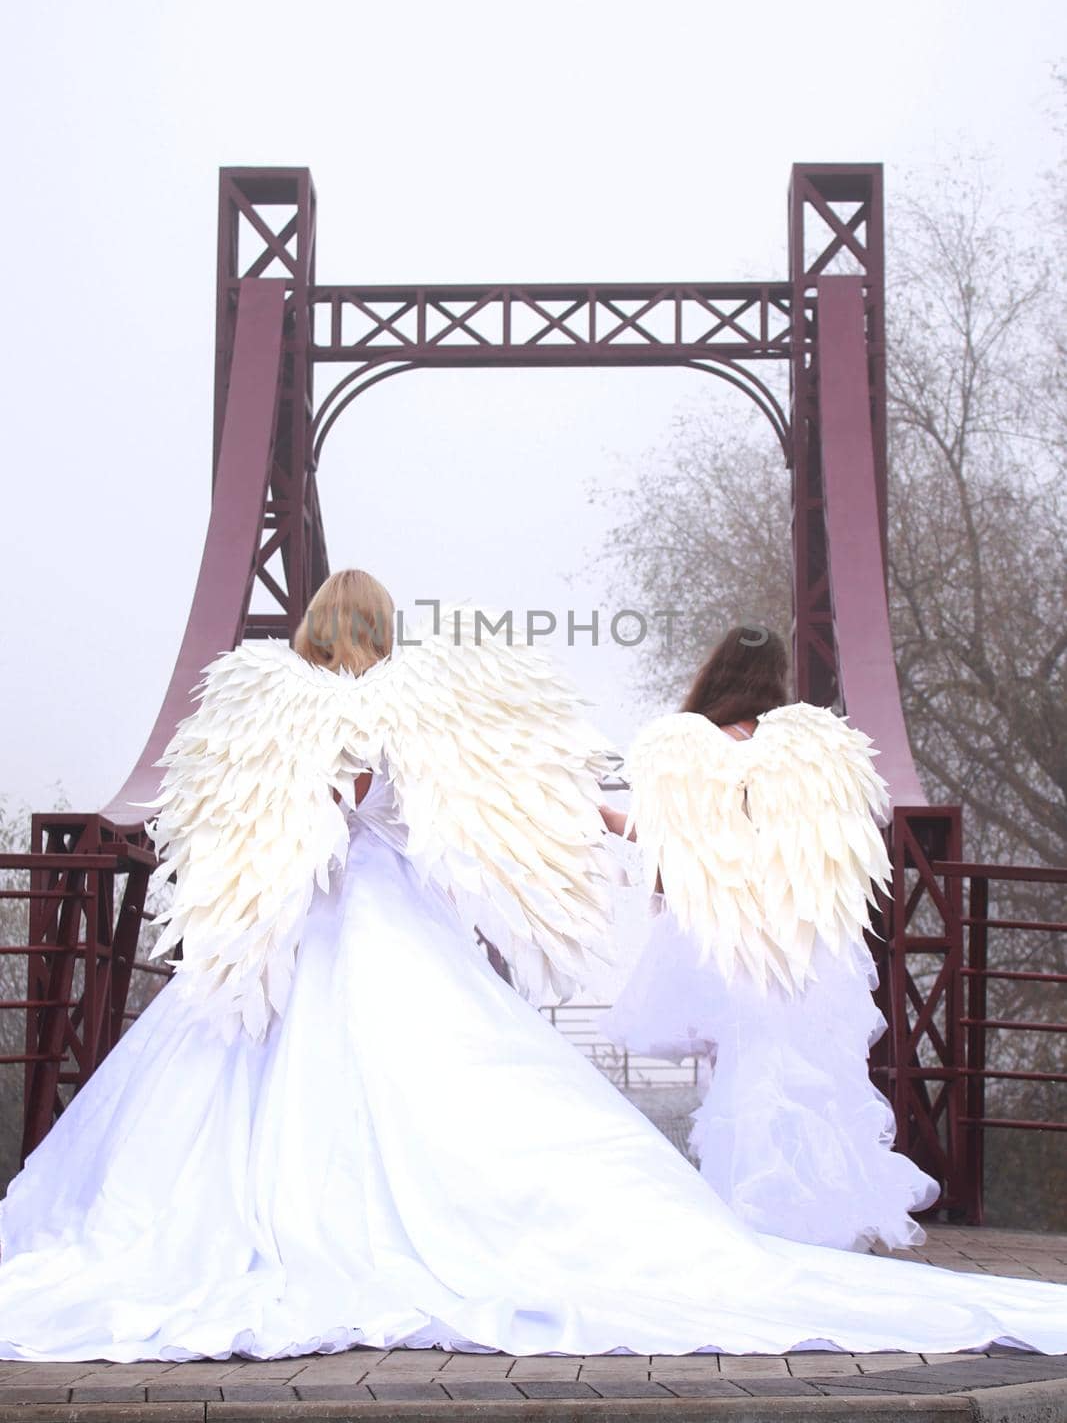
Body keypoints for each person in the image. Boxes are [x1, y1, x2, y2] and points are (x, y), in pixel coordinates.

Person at [0, 579, 1063, 1361]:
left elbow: (248, 818)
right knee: (458, 1093)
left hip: (282, 934)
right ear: (383, 638)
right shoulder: (418, 716)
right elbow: (511, 799)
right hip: (392, 932)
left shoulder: (270, 719)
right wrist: (621, 821)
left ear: (311, 635)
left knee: (228, 1091)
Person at [602, 625, 941, 1251]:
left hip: (736, 933)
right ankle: (827, 1217)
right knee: (813, 1071)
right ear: (777, 679)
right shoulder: (808, 755)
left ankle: (749, 1211)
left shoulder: (696, 747)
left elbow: (675, 846)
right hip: (803, 933)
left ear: (716, 672)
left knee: (746, 1067)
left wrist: (600, 816)